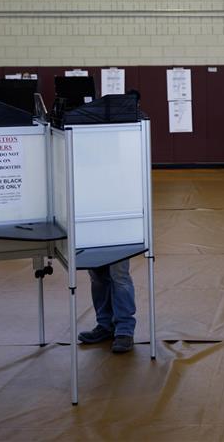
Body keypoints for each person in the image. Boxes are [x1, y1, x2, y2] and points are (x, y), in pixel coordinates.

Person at [78, 89, 141, 354]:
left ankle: (124, 329)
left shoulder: (128, 146)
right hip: (90, 217)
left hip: (118, 218)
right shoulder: (83, 147)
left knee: (118, 274)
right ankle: (105, 325)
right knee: (97, 275)